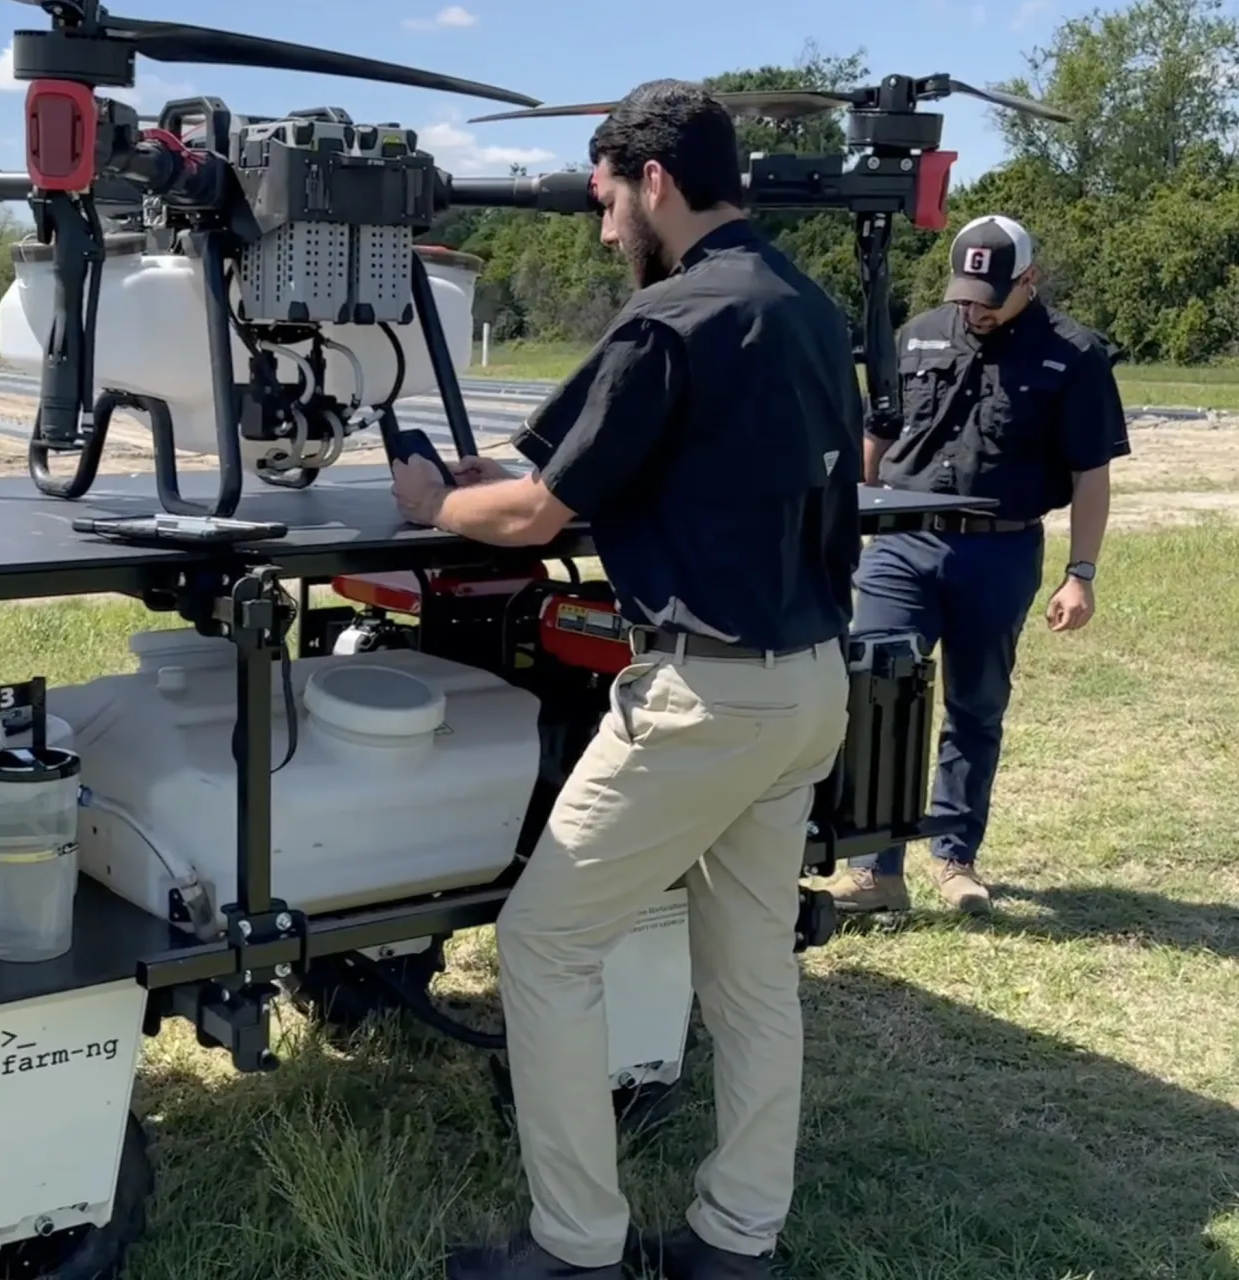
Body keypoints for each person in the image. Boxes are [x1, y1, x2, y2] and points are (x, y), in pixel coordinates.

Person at [391, 79, 861, 1280]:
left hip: (706, 698)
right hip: (809, 679)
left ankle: (575, 1246)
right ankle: (737, 1239)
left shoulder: (669, 320)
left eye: (609, 204)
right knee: (752, 976)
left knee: (545, 944)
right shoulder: (805, 305)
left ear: (653, 181)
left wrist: (438, 499)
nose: (606, 232)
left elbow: (539, 504)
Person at [816, 214, 1129, 918]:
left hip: (1001, 547)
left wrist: (1082, 571)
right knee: (875, 695)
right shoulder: (918, 333)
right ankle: (875, 870)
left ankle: (955, 855)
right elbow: (881, 433)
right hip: (901, 544)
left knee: (976, 706)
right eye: (965, 293)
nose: (974, 308)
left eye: (991, 295)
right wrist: (848, 527)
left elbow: (1090, 473)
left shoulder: (1073, 355)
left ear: (1030, 280)